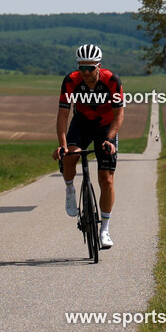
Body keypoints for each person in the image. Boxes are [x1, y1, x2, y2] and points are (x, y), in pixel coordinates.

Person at [53, 44, 123, 249]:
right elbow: (63, 115)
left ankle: (105, 230)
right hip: (81, 124)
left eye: (90, 68)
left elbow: (119, 115)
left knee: (107, 179)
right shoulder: (71, 81)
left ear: (98, 66)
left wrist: (110, 139)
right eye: (81, 67)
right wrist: (62, 145)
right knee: (70, 156)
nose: (85, 72)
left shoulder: (112, 80)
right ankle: (69, 190)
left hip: (105, 127)